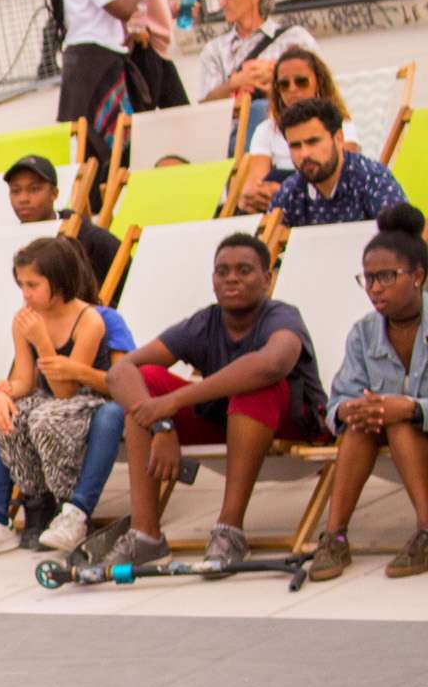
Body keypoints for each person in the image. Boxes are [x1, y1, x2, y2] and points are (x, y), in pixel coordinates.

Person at [101, 233, 328, 569]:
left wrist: (174, 402)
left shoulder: (282, 317)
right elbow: (120, 372)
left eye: (244, 270)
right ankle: (146, 536)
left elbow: (271, 365)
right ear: (212, 280)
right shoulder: (205, 322)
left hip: (291, 422)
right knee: (144, 381)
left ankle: (229, 531)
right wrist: (161, 424)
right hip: (226, 421)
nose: (231, 278)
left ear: (267, 279)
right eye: (222, 271)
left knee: (254, 386)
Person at [0, 244, 136, 560]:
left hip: (85, 400)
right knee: (8, 416)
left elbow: (66, 390)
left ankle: (73, 512)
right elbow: (25, 380)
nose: (25, 294)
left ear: (59, 281)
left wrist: (42, 340)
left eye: (32, 285)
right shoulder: (25, 320)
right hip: (49, 400)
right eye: (21, 285)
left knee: (45, 418)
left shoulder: (92, 320)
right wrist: (3, 393)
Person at [307, 205, 428, 581]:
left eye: (386, 276)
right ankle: (335, 537)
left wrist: (409, 408)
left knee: (400, 423)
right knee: (362, 425)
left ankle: (427, 531)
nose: (375, 288)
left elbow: (404, 412)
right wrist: (350, 410)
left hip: (416, 429)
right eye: (369, 278)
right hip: (389, 434)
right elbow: (340, 396)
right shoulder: (364, 332)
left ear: (418, 276)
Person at [40, 0, 139, 182]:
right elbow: (122, 9)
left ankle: (97, 194)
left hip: (82, 64)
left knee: (90, 147)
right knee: (113, 146)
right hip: (97, 64)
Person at [197, 0, 317, 139]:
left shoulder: (295, 38)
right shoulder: (214, 50)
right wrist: (235, 82)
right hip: (234, 137)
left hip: (291, 130)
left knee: (260, 108)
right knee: (257, 110)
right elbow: (204, 108)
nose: (222, 4)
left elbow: (323, 85)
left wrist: (277, 77)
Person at [239, 47, 361, 213]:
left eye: (301, 82)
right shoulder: (266, 130)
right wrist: (261, 194)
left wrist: (287, 192)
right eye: (284, 85)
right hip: (276, 210)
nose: (292, 89)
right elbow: (255, 185)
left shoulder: (341, 126)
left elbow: (344, 176)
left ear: (319, 83)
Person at [268, 97, 406, 228]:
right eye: (295, 146)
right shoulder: (290, 192)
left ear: (339, 139)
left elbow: (402, 238)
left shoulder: (373, 179)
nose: (305, 154)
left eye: (313, 142)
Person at [3, 154, 122, 287]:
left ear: (54, 193)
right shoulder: (4, 238)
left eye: (34, 189)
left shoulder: (87, 238)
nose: (23, 198)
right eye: (15, 191)